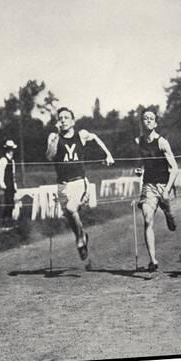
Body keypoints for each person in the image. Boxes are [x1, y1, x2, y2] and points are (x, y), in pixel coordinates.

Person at [46, 107, 114, 268]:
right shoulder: (53, 136)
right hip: (62, 184)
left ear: (72, 121)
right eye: (60, 118)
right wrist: (55, 139)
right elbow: (49, 156)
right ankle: (82, 236)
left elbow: (96, 138)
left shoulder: (81, 135)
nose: (63, 120)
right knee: (70, 216)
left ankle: (80, 239)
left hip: (79, 182)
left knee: (71, 208)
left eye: (66, 117)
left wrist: (108, 154)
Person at [135, 108, 180, 273]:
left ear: (155, 123)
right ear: (142, 122)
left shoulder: (162, 142)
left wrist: (167, 189)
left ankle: (169, 214)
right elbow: (141, 159)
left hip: (163, 184)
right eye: (144, 118)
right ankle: (153, 260)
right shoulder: (139, 141)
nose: (147, 121)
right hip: (148, 186)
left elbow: (175, 169)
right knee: (147, 219)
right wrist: (138, 168)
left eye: (150, 118)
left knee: (168, 212)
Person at [0, 140, 18, 226]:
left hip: (11, 183)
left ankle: (8, 220)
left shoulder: (12, 161)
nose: (12, 152)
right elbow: (0, 173)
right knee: (8, 202)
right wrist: (2, 184)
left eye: (12, 150)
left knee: (12, 203)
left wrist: (15, 184)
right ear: (7, 150)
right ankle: (4, 220)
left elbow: (13, 174)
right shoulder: (3, 160)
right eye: (10, 150)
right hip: (6, 184)